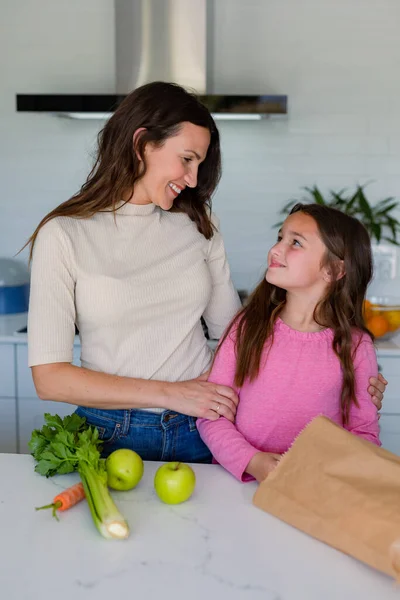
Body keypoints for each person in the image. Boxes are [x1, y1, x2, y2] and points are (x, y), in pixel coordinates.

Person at [26, 81, 386, 464]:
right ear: (142, 144)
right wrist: (171, 392)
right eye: (187, 159)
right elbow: (50, 378)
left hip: (202, 426)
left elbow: (237, 333)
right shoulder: (65, 234)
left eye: (199, 163)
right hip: (108, 433)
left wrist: (345, 382)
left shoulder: (198, 223)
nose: (194, 179)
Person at [197, 204, 384, 481]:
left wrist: (322, 473)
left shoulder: (356, 347)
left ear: (334, 270)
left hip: (314, 488)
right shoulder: (246, 328)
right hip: (235, 483)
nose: (275, 250)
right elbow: (212, 414)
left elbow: (364, 432)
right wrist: (253, 462)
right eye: (280, 238)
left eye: (295, 242)